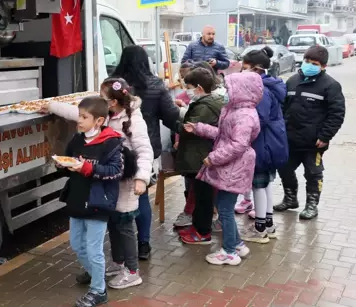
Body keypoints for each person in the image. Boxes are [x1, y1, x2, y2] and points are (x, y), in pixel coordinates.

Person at [44, 79, 153, 290]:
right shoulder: (103, 117)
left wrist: (141, 178)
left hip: (126, 183)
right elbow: (77, 113)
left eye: (101, 97)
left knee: (124, 226)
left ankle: (132, 271)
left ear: (111, 103)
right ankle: (117, 263)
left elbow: (145, 152)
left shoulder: (134, 121)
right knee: (112, 222)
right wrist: (50, 106)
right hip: (106, 184)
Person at [184, 71, 262, 265]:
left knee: (225, 209)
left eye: (228, 88)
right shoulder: (234, 109)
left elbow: (238, 145)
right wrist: (199, 128)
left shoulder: (244, 115)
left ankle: (229, 252)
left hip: (234, 167)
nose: (225, 92)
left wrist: (213, 158)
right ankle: (237, 244)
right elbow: (224, 135)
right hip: (231, 167)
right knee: (224, 205)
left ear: (241, 91)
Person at [111, 45, 180, 259]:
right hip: (145, 149)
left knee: (116, 197)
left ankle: (120, 247)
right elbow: (171, 117)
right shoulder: (155, 85)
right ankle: (143, 244)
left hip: (115, 148)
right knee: (141, 196)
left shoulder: (112, 84)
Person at [56, 96, 124, 307]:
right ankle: (95, 273)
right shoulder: (77, 140)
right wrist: (63, 165)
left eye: (84, 117)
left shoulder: (111, 143)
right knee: (77, 244)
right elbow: (69, 161)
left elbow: (116, 172)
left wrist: (87, 168)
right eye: (79, 116)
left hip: (98, 202)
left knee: (94, 249)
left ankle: (98, 290)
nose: (79, 121)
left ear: (99, 121)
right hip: (77, 198)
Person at [274, 45, 346, 220]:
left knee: (313, 174)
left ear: (323, 66)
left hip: (313, 142)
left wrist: (325, 136)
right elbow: (282, 107)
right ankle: (290, 199)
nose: (309, 65)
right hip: (290, 139)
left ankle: (312, 205)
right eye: (307, 61)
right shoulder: (292, 81)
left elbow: (337, 114)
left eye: (314, 63)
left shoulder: (331, 86)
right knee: (284, 169)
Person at [238, 47, 288, 243]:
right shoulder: (271, 85)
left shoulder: (261, 90)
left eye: (246, 68)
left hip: (262, 143)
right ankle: (268, 224)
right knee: (265, 184)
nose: (243, 71)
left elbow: (259, 119)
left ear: (257, 69)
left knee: (258, 184)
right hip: (271, 142)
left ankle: (260, 229)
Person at [174, 68, 224, 245]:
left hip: (201, 157)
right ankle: (198, 226)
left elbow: (190, 127)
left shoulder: (205, 106)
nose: (187, 91)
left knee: (203, 197)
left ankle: (203, 232)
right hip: (202, 155)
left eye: (189, 87)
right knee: (201, 194)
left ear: (199, 88)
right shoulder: (212, 101)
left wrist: (172, 118)